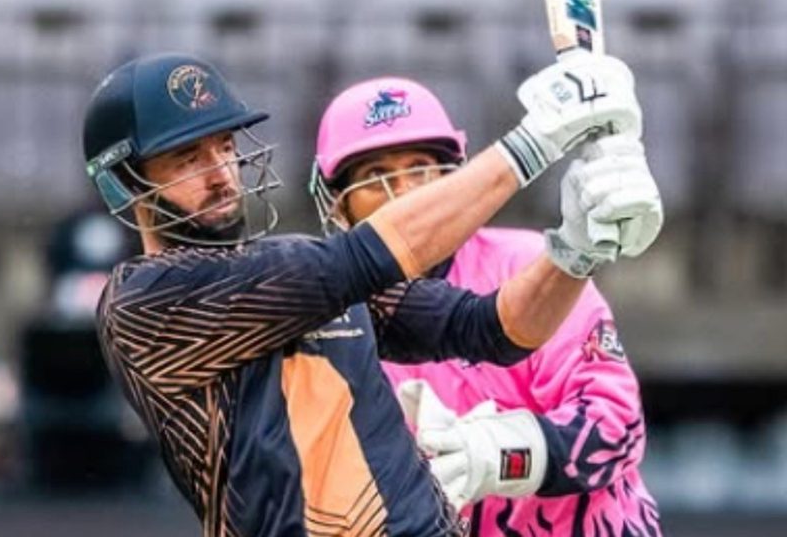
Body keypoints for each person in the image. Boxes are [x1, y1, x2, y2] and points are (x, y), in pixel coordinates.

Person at [81, 51, 654, 536]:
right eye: (188, 158)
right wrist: (537, 140)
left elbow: (490, 328)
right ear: (125, 183)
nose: (221, 174)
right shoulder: (143, 301)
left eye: (225, 147)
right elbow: (361, 258)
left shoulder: (304, 270)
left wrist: (574, 252)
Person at [310, 76, 662, 536]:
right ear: (338, 204)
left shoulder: (533, 268)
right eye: (377, 177)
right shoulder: (325, 323)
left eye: (420, 168)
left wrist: (502, 452)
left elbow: (617, 428)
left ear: (453, 180)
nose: (406, 194)